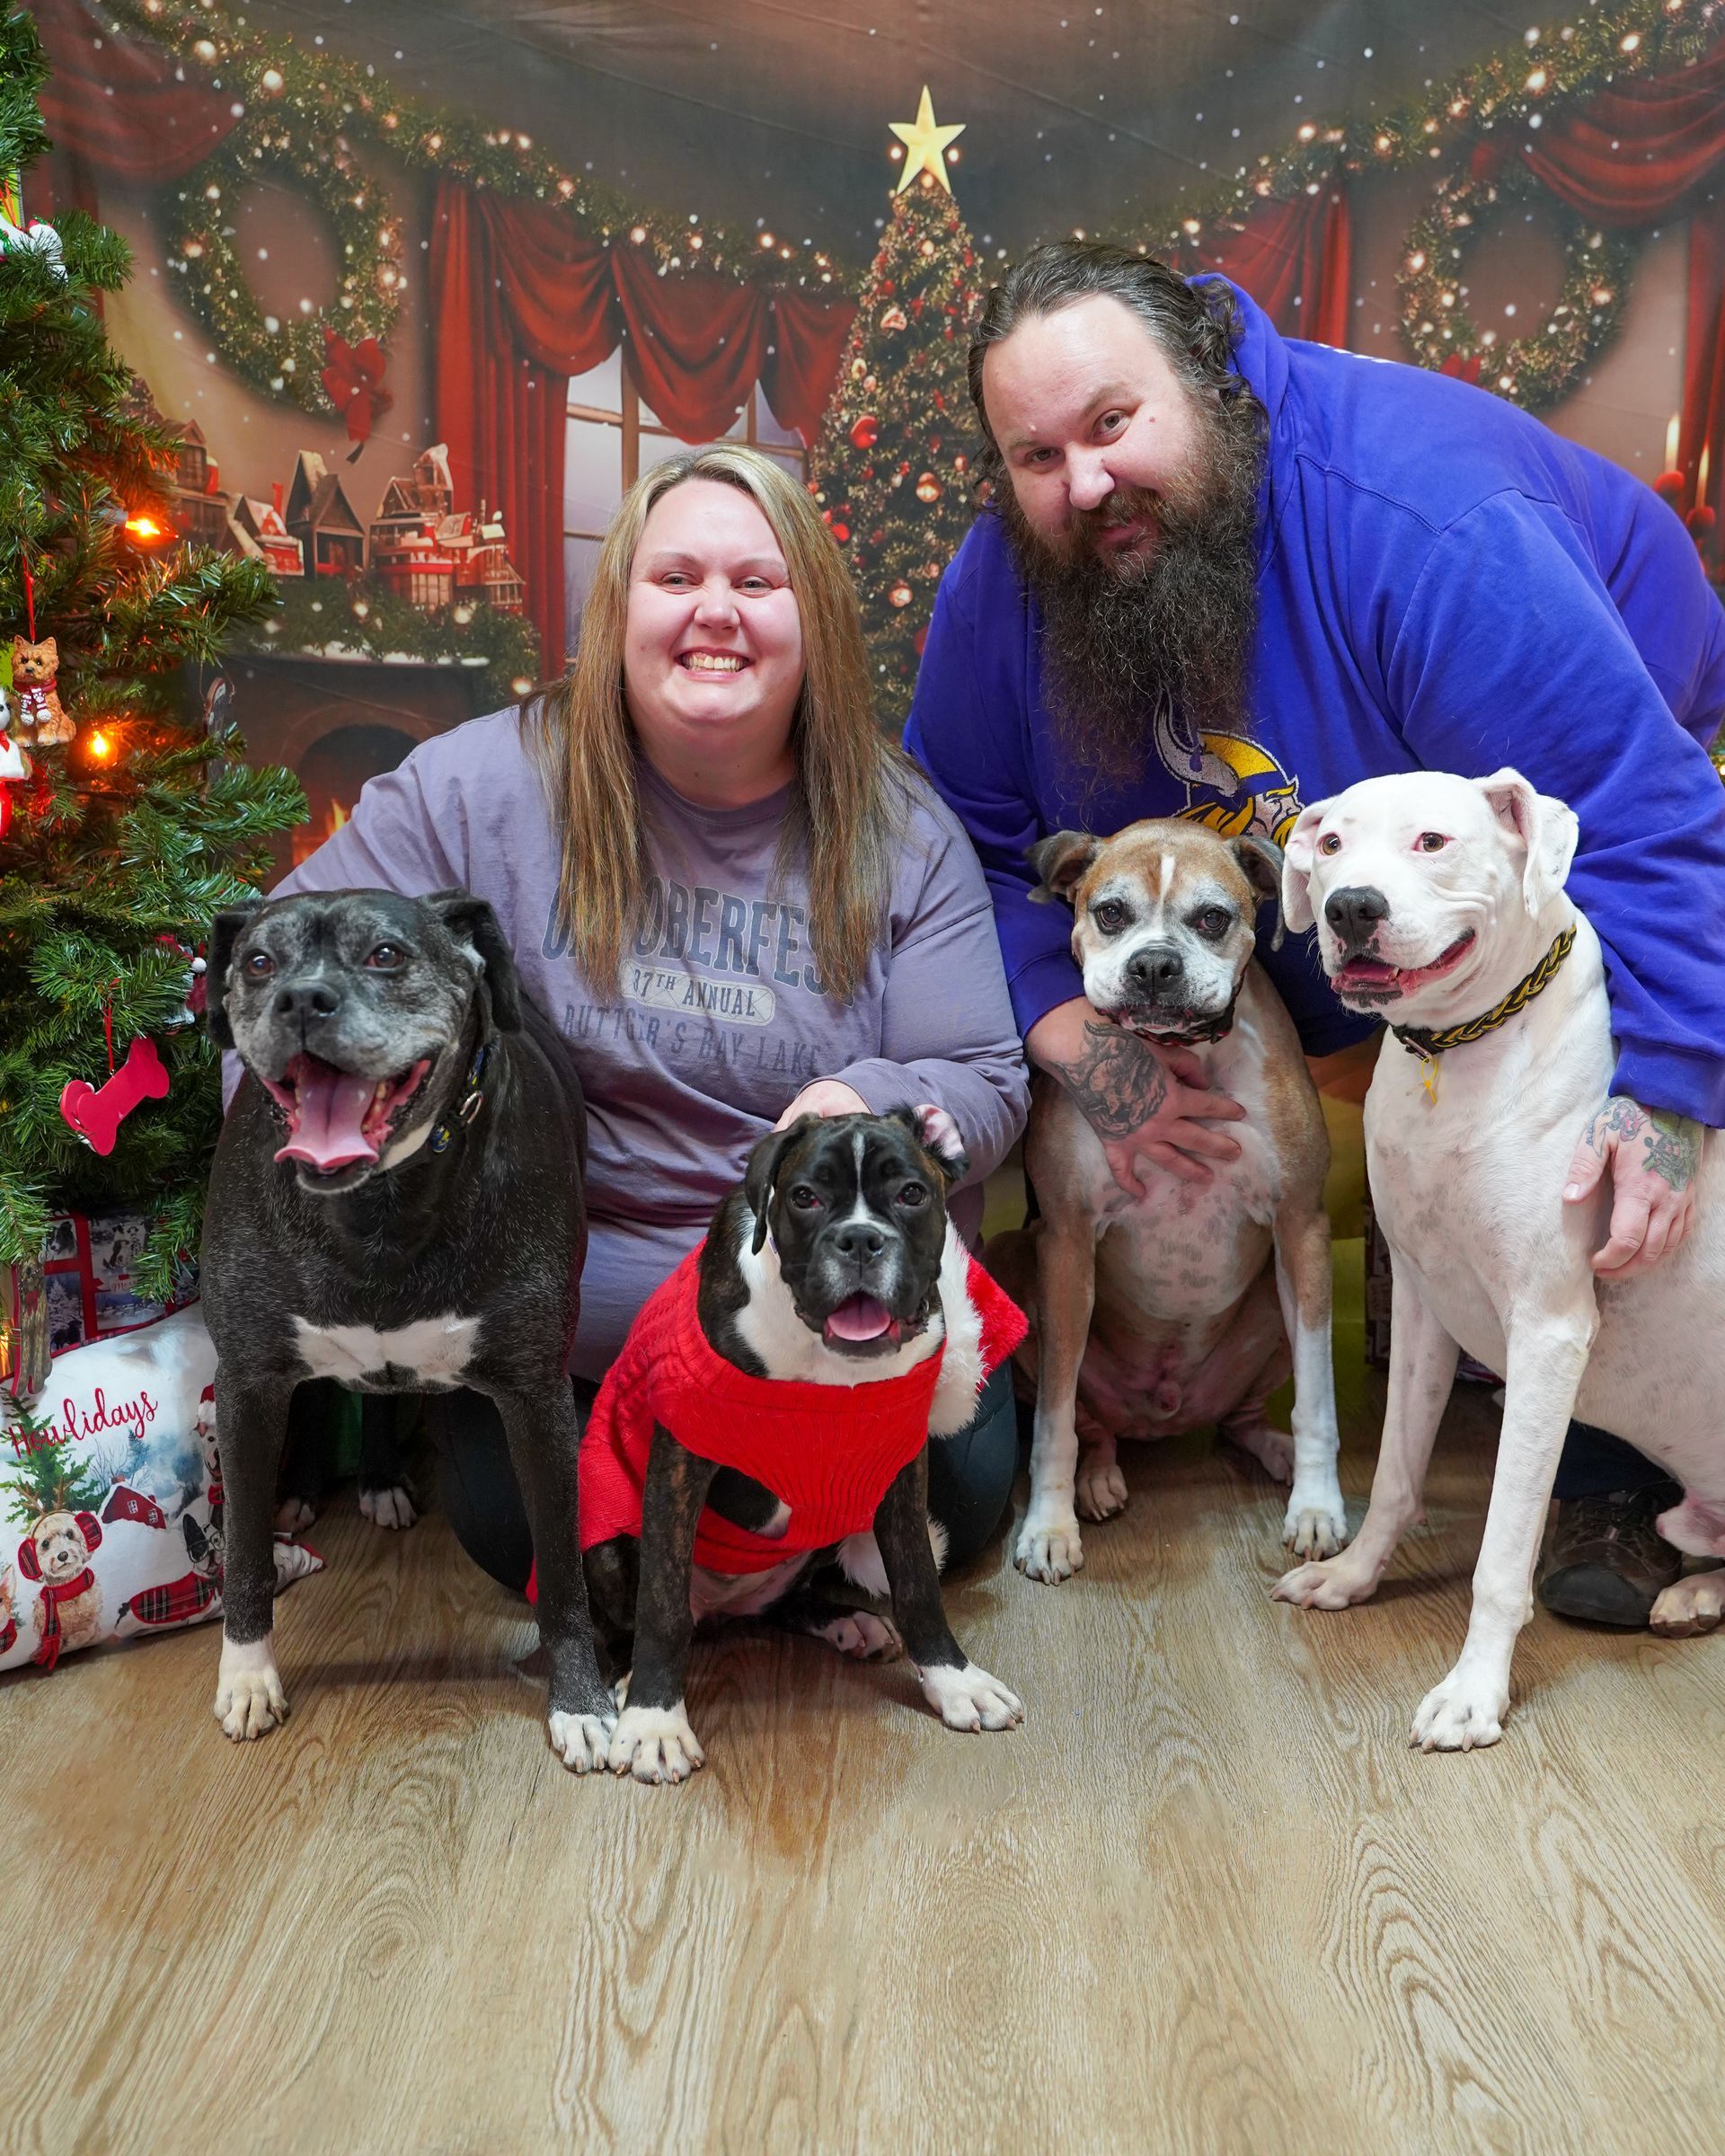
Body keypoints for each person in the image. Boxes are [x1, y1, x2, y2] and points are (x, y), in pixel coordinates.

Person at [905, 240, 1725, 1629]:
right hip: (1271, 906)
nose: (1084, 483)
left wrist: (1664, 1097)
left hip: (1581, 784)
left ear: (1216, 387)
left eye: (1114, 423)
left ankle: (1614, 1464)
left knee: (1589, 1155)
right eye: (1036, 456)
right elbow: (956, 844)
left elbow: (1641, 824)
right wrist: (1073, 1038)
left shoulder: (1420, 520)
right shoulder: (1010, 581)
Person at [254, 443, 1030, 1586]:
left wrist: (865, 1098)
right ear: (617, 607)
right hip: (576, 1326)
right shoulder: (478, 790)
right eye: (675, 580)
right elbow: (278, 973)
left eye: (758, 585)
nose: (715, 611)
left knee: (961, 1506)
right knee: (526, 1534)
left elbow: (982, 1072)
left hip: (838, 1313)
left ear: (811, 621)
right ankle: (759, 1559)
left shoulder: (900, 829)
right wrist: (340, 1167)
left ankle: (760, 1552)